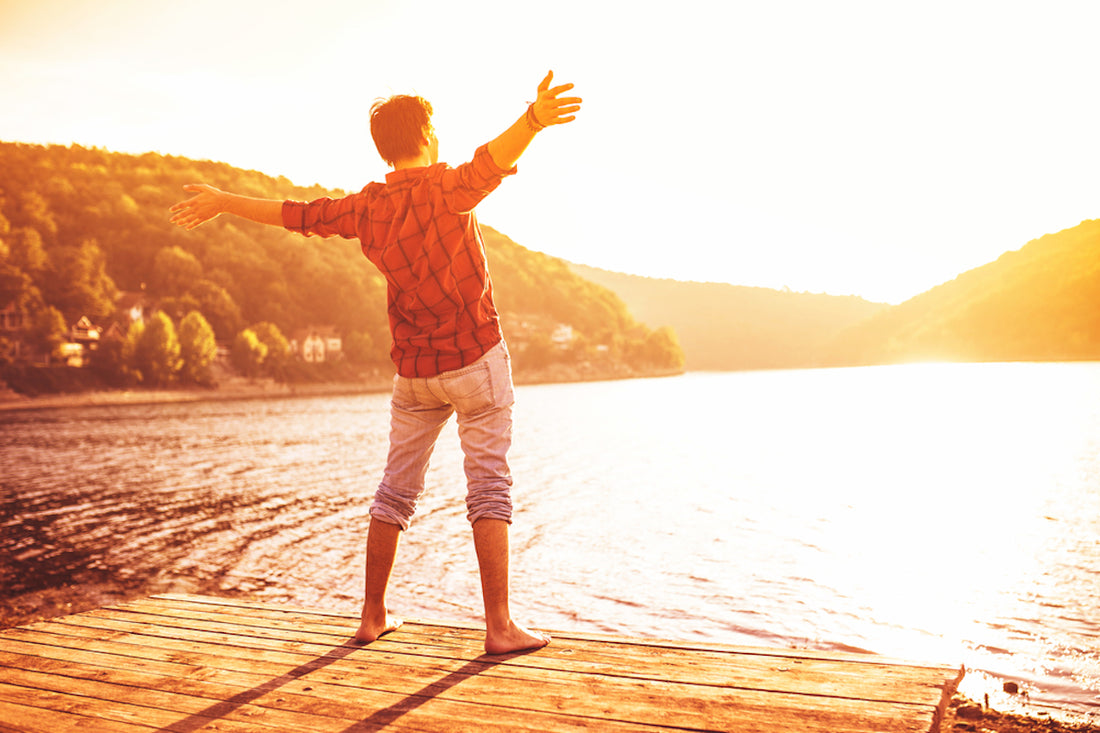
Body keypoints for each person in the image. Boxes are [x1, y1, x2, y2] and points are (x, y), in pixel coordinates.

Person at [169, 71, 581, 654]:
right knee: (489, 485)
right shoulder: (446, 187)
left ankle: (371, 615)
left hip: (414, 371)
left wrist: (224, 203)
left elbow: (297, 215)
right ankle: (499, 627)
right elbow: (493, 158)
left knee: (394, 492)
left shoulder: (368, 207)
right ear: (431, 135)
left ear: (383, 148)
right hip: (476, 360)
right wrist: (535, 118)